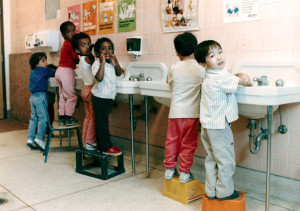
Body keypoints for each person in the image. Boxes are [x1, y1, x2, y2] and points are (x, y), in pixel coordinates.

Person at [194, 40, 252, 200]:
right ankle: (224, 191)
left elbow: (227, 77)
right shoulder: (221, 78)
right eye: (212, 55)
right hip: (219, 127)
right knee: (226, 160)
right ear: (203, 63)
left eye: (219, 52)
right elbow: (244, 81)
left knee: (212, 158)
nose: (219, 57)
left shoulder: (209, 76)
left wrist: (234, 76)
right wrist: (242, 75)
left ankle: (211, 190)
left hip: (207, 125)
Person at [163, 32, 204, 183]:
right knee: (188, 143)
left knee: (172, 141)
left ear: (177, 51)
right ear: (196, 48)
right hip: (193, 114)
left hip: (176, 113)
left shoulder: (174, 67)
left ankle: (169, 169)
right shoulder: (200, 68)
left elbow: (169, 82)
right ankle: (185, 172)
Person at [91, 37, 124, 156]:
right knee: (102, 124)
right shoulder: (97, 64)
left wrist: (116, 61)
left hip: (107, 98)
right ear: (98, 52)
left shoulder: (112, 63)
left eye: (110, 48)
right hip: (99, 97)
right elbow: (99, 78)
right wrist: (102, 62)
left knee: (103, 123)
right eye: (103, 49)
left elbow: (119, 73)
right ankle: (105, 147)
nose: (107, 51)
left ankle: (105, 146)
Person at [71, 32, 97, 150]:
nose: (87, 46)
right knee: (93, 117)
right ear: (77, 49)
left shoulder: (80, 59)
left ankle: (85, 140)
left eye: (88, 44)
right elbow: (95, 62)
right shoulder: (87, 58)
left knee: (88, 117)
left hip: (85, 90)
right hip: (91, 90)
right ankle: (91, 142)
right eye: (83, 45)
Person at [27, 52, 55, 151]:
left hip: (32, 97)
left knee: (33, 118)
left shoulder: (33, 71)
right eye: (43, 61)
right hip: (41, 97)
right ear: (36, 63)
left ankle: (30, 138)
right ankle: (39, 139)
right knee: (43, 119)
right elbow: (54, 73)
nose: (46, 62)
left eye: (46, 60)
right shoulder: (44, 70)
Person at [55, 21, 79, 126]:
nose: (73, 33)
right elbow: (76, 58)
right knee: (71, 97)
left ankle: (61, 117)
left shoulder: (65, 44)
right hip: (66, 72)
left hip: (59, 71)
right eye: (69, 32)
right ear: (64, 35)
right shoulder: (69, 45)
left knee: (63, 96)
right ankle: (68, 117)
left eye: (74, 30)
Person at [46, 64, 57, 134]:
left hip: (50, 101)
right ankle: (48, 130)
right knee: (49, 116)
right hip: (48, 101)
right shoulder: (48, 76)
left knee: (50, 116)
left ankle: (48, 130)